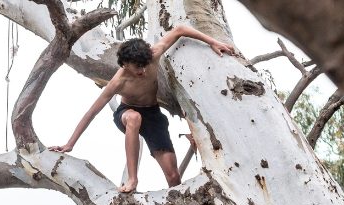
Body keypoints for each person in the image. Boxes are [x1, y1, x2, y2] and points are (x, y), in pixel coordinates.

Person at [49, 25, 234, 193]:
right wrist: (69, 144)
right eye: (138, 67)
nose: (143, 71)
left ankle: (176, 203)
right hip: (126, 113)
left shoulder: (152, 54)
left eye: (145, 66)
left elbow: (179, 30)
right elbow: (91, 112)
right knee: (134, 118)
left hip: (153, 116)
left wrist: (213, 42)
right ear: (125, 64)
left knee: (174, 177)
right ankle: (132, 179)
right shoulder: (118, 82)